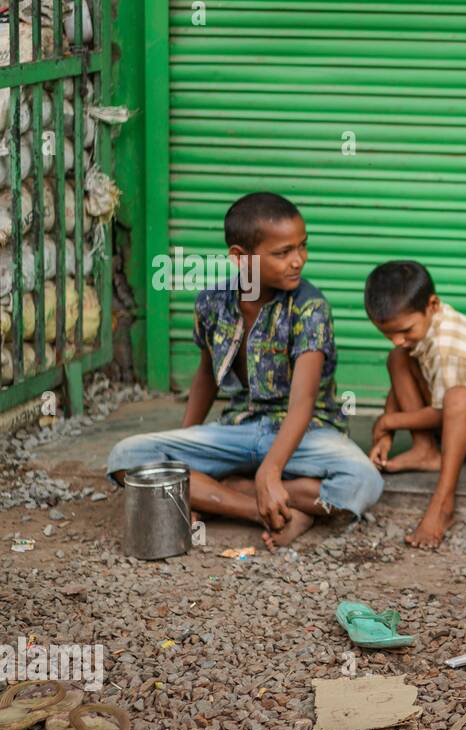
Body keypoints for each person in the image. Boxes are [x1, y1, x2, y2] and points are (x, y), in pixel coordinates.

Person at [106, 193, 383, 548]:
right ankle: (262, 509)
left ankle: (225, 490)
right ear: (240, 257)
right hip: (239, 427)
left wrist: (269, 470)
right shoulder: (211, 302)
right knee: (126, 457)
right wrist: (187, 450)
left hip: (305, 432)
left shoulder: (309, 307)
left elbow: (304, 400)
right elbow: (206, 375)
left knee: (363, 481)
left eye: (302, 246)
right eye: (282, 253)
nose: (298, 260)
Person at [364, 260, 466, 549]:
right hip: (450, 413)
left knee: (457, 397)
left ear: (432, 305)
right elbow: (408, 378)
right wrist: (385, 433)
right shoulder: (418, 333)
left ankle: (444, 502)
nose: (397, 340)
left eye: (405, 331)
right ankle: (425, 451)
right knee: (398, 358)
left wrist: (388, 422)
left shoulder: (448, 345)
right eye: (388, 334)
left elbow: (442, 414)